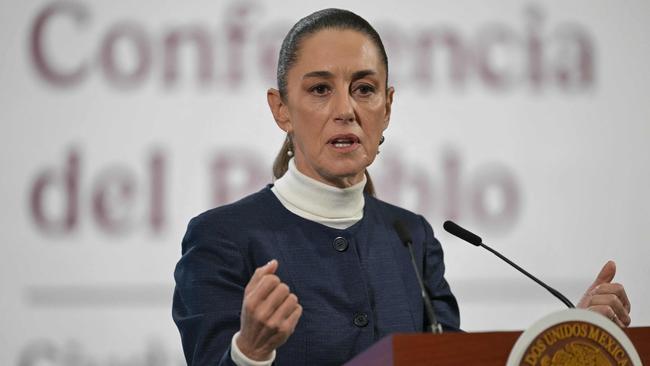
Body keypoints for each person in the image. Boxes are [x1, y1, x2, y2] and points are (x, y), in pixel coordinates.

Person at [172, 8, 632, 366]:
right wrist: (250, 351)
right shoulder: (222, 238)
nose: (346, 109)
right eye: (319, 90)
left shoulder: (411, 237)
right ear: (281, 110)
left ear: (387, 108)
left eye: (365, 89)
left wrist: (571, 337)